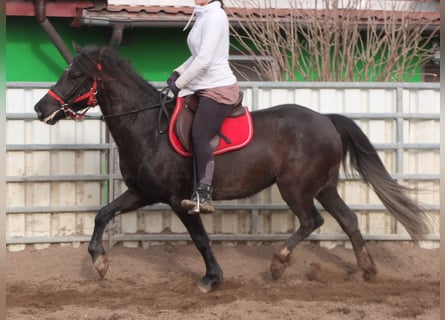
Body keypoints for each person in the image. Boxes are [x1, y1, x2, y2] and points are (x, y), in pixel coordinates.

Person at [167, 0, 239, 214]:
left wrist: (180, 84)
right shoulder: (202, 16)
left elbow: (205, 60)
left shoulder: (215, 16)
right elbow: (197, 56)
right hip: (204, 87)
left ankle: (204, 193)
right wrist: (178, 71)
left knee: (199, 134)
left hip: (218, 88)